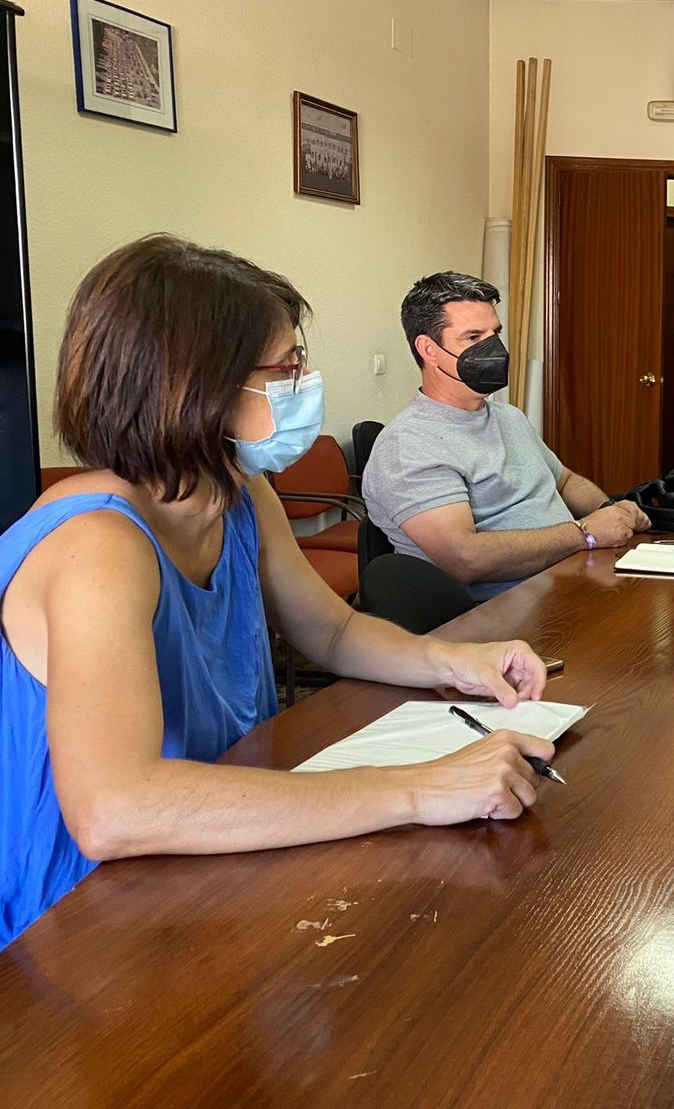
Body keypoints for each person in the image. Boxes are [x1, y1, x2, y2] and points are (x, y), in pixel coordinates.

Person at [0, 236, 558, 949]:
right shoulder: (97, 547)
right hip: (73, 917)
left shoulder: (237, 491)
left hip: (203, 852)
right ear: (194, 382)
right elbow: (115, 808)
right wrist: (421, 788)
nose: (306, 383)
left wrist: (457, 662)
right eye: (287, 367)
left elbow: (332, 632)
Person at [362, 272, 650, 600]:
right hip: (506, 616)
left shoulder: (508, 417)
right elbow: (465, 558)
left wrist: (612, 511)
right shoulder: (409, 445)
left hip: (576, 579)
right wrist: (584, 533)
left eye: (495, 334)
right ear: (429, 350)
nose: (494, 349)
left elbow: (566, 482)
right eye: (473, 337)